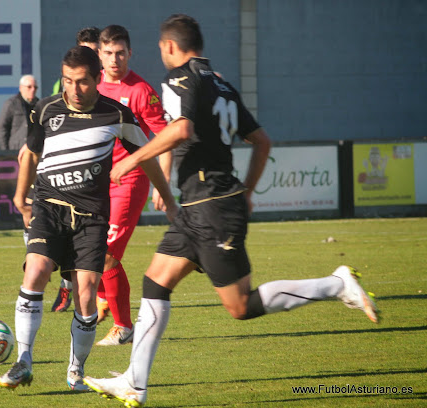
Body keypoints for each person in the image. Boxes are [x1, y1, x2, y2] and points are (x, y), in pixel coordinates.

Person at [84, 14, 378, 407]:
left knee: (241, 306)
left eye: (160, 47)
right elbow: (261, 141)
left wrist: (130, 162)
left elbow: (181, 129)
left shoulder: (178, 80)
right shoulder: (221, 84)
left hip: (211, 207)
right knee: (155, 281)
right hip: (200, 205)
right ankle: (134, 382)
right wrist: (249, 191)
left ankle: (337, 285)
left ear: (170, 47)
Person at [0, 46, 178, 392]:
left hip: (92, 216)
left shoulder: (118, 114)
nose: (74, 90)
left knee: (87, 291)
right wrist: (22, 198)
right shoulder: (46, 108)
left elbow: (147, 157)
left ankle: (75, 371)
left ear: (97, 79)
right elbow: (32, 153)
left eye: (82, 82)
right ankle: (24, 360)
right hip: (49, 205)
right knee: (35, 271)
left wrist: (168, 199)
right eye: (68, 81)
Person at [93, 25, 170, 346]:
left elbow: (165, 135)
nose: (115, 60)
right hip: (95, 182)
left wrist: (160, 183)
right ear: (99, 54)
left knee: (108, 254)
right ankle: (102, 296)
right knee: (88, 249)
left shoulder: (140, 90)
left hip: (130, 181)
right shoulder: (90, 85)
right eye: (108, 53)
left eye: (120, 53)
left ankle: (123, 326)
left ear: (130, 53)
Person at [49, 26, 101, 313]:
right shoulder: (65, 88)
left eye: (94, 52)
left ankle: (92, 297)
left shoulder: (106, 94)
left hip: (100, 179)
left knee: (103, 253)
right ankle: (69, 287)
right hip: (66, 174)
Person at [51, 27, 100, 95]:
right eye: (85, 52)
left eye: (95, 52)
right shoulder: (65, 80)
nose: (90, 57)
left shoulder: (114, 77)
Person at [0, 75, 39, 150]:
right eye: (29, 87)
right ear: (21, 88)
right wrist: (5, 151)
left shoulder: (39, 105)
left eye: (35, 87)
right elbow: (3, 129)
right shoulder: (11, 104)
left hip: (34, 150)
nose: (33, 90)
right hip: (16, 150)